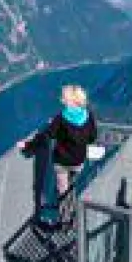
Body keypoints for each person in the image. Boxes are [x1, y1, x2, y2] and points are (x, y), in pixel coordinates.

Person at [20, 85, 97, 228]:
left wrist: (27, 145)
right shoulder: (89, 116)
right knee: (71, 187)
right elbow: (92, 138)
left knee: (62, 190)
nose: (61, 99)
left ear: (71, 100)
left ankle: (65, 221)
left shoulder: (61, 118)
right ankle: (71, 212)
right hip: (79, 160)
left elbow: (46, 136)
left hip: (62, 161)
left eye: (64, 97)